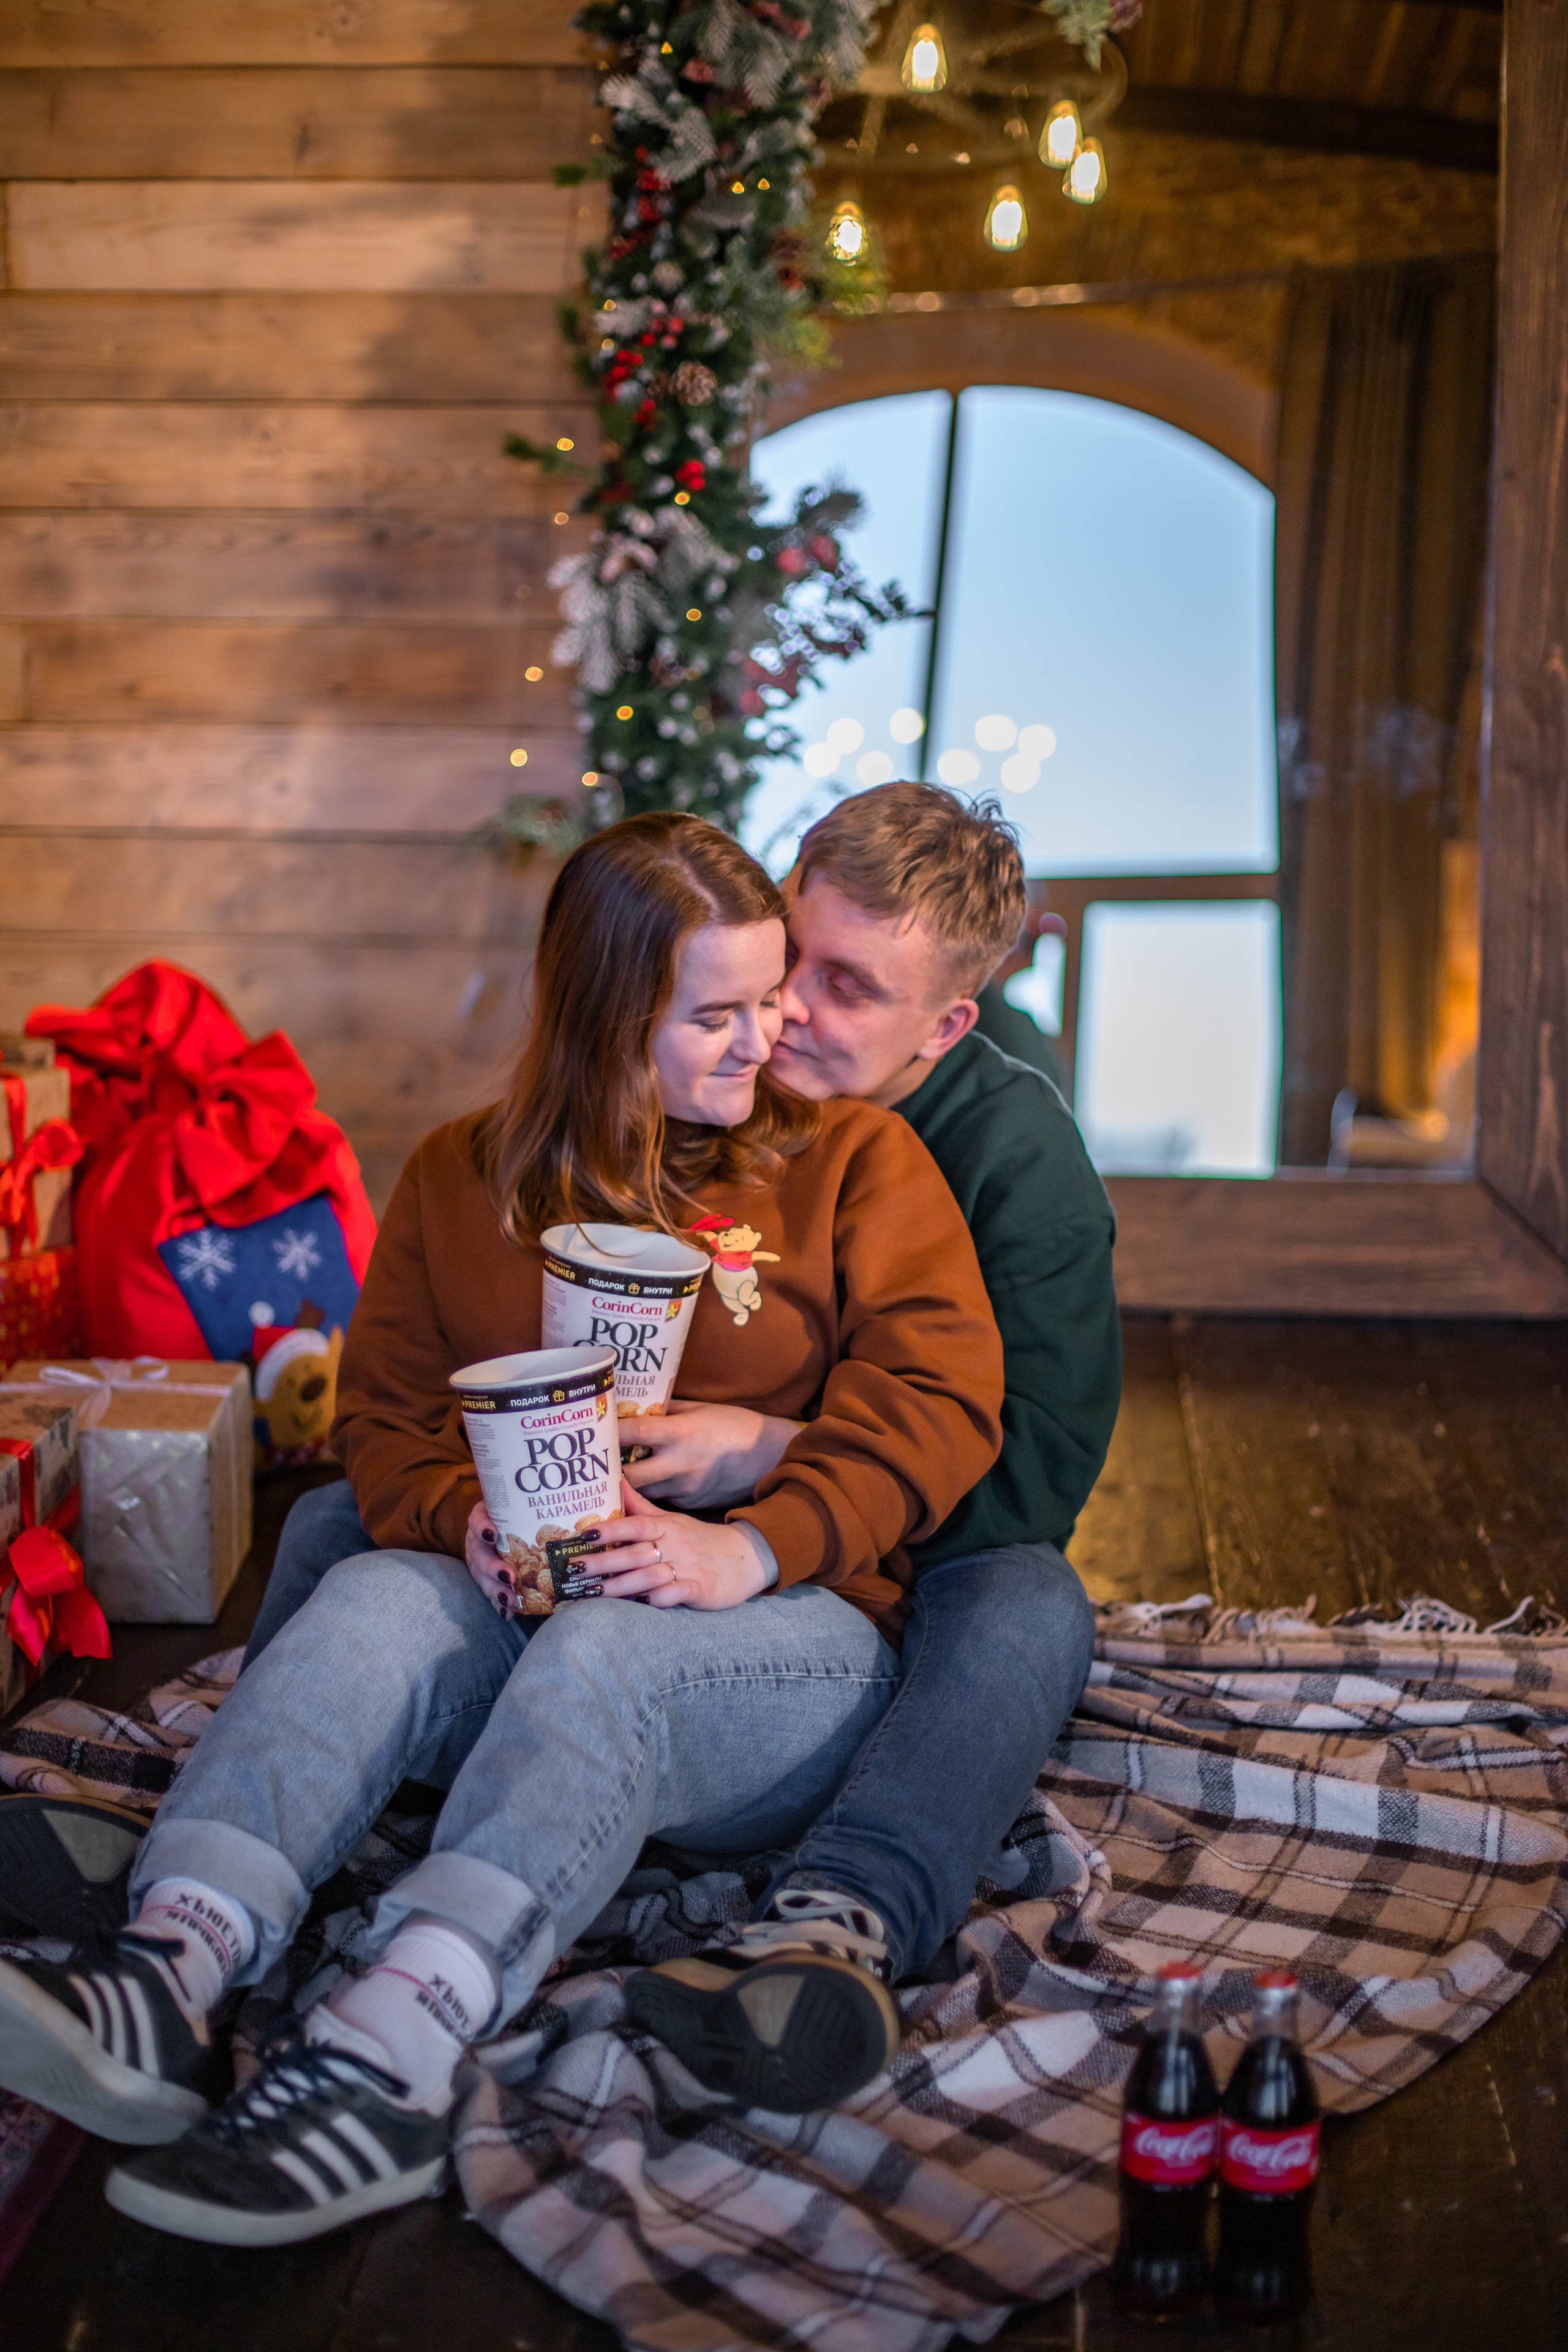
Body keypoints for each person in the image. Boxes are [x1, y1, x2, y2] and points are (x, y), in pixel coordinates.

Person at [0, 814, 1004, 2247]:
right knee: (367, 1594)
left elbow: (941, 1401)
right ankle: (169, 1972)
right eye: (715, 1012)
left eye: (771, 995)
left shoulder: (855, 1165)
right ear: (605, 1020)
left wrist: (758, 1541)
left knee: (602, 1649)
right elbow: (388, 1423)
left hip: (778, 1645)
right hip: (517, 1605)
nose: (762, 1038)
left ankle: (394, 2054)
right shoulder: (463, 1177)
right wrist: (462, 1520)